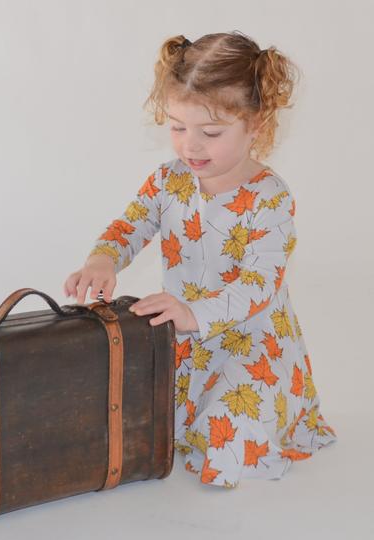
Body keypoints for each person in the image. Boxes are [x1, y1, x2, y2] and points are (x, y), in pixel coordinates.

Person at [62, 30, 337, 488]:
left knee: (228, 432)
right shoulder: (168, 181)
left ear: (256, 125)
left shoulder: (270, 198)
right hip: (182, 338)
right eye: (177, 127)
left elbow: (259, 283)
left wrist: (194, 312)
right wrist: (102, 260)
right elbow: (130, 225)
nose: (190, 146)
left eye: (210, 132)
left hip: (252, 343)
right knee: (124, 414)